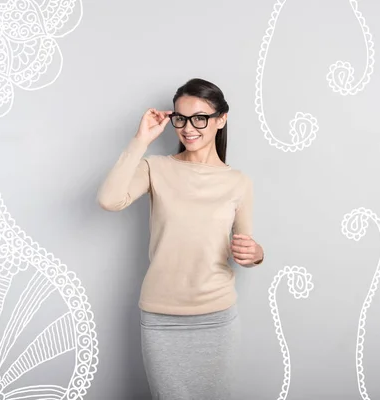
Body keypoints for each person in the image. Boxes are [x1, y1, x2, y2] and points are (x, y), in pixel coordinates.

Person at [97, 78, 264, 399]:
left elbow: (247, 248)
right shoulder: (155, 168)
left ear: (221, 119)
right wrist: (140, 140)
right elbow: (109, 199)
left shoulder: (238, 182)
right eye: (180, 119)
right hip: (162, 317)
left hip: (216, 317)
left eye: (200, 118)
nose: (188, 128)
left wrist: (256, 254)